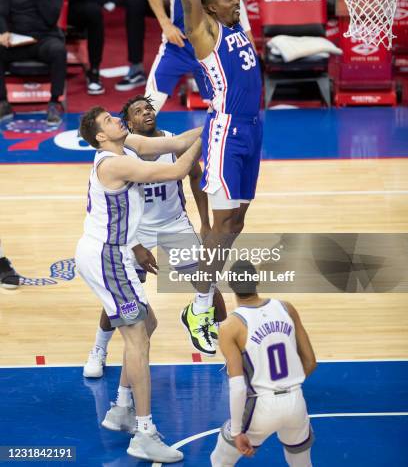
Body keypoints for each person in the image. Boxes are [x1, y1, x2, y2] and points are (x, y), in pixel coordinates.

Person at [145, 0, 263, 347]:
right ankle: (198, 308)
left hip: (254, 129)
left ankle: (202, 295)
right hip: (227, 130)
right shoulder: (204, 29)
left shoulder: (237, 23)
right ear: (211, 7)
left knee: (236, 225)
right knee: (219, 227)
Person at [76, 105, 201, 462]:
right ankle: (143, 432)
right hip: (107, 256)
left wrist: (209, 126)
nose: (117, 120)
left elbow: (174, 142)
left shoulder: (124, 146)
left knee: (147, 323)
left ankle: (120, 410)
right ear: (101, 136)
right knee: (138, 340)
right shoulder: (114, 162)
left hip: (109, 254)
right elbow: (178, 168)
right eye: (109, 121)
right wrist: (208, 138)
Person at [83, 94, 217, 374]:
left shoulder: (164, 140)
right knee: (120, 297)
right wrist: (135, 245)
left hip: (173, 223)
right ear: (128, 122)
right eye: (137, 111)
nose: (146, 113)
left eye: (149, 108)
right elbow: (118, 214)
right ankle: (99, 347)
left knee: (207, 281)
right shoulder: (121, 154)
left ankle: (224, 341)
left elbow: (191, 170)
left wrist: (205, 222)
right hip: (135, 230)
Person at [210, 259, 317, 467]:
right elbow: (311, 362)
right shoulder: (287, 308)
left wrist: (236, 431)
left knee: (220, 460)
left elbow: (238, 387)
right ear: (257, 281)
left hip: (261, 405)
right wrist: (289, 386)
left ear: (231, 286)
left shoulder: (230, 326)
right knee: (301, 464)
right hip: (296, 401)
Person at [0, 0, 66, 124]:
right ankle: (2, 102)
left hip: (45, 39)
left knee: (59, 50)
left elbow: (51, 18)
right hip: (17, 40)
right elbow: (1, 13)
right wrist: (3, 32)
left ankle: (54, 103)